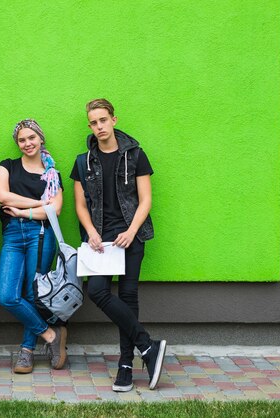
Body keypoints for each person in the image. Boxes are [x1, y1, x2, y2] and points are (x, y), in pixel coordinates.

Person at [71, 98, 166, 392]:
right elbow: (80, 205)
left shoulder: (135, 155)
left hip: (130, 237)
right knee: (98, 291)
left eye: (103, 120)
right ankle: (148, 346)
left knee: (128, 296)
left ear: (114, 119)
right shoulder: (83, 161)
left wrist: (132, 230)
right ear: (90, 126)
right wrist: (90, 232)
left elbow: (146, 199)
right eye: (93, 122)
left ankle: (126, 364)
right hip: (100, 240)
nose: (99, 126)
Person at [0, 119, 67, 373]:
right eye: (22, 140)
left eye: (31, 138)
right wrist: (39, 204)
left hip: (41, 236)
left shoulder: (53, 174)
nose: (27, 143)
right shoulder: (7, 166)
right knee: (6, 295)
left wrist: (22, 211)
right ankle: (50, 335)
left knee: (31, 294)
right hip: (13, 236)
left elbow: (55, 210)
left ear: (40, 138)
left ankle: (26, 351)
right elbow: (4, 196)